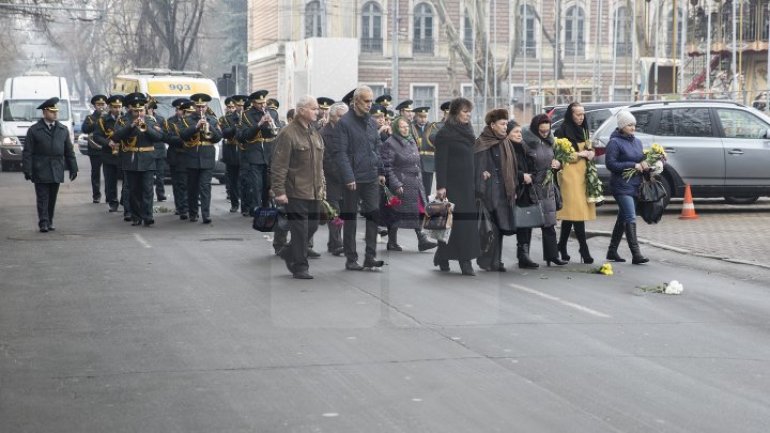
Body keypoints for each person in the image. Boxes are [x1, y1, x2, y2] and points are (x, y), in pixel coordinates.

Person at [332, 85, 386, 271]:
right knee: (351, 219)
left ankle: (370, 257)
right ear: (355, 101)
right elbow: (341, 154)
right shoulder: (344, 123)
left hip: (370, 176)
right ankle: (351, 258)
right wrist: (348, 177)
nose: (369, 104)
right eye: (366, 101)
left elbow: (377, 148)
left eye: (371, 101)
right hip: (353, 179)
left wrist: (381, 172)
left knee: (373, 216)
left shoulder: (371, 122)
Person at [271, 96, 325, 279]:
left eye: (317, 109)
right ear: (301, 110)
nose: (317, 112)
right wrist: (279, 191)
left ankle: (288, 252)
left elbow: (319, 164)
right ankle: (300, 266)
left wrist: (322, 187)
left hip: (314, 190)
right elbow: (279, 165)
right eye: (313, 108)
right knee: (300, 230)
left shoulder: (314, 132)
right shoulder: (288, 133)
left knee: (313, 225)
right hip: (295, 191)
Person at [433, 97, 481, 276]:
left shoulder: (468, 131)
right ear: (455, 113)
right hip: (452, 185)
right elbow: (440, 161)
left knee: (466, 224)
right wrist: (441, 186)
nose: (468, 115)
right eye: (464, 111)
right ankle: (463, 261)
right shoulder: (445, 134)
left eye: (469, 111)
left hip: (468, 184)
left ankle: (443, 254)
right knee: (451, 224)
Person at [381, 116, 438, 252]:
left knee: (418, 210)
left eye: (407, 126)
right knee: (395, 212)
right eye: (402, 127)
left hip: (415, 183)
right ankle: (394, 241)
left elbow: (416, 161)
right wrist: (396, 184)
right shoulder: (390, 143)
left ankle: (421, 239)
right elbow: (387, 166)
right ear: (396, 128)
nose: (405, 129)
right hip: (401, 183)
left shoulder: (412, 140)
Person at [22, 97, 78, 232]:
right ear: (45, 112)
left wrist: (73, 168)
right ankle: (43, 222)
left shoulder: (62, 129)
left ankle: (50, 220)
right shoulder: (34, 130)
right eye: (52, 112)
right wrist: (27, 169)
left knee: (52, 197)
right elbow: (27, 152)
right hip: (40, 167)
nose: (55, 114)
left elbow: (69, 151)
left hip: (56, 167)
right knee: (42, 197)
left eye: (56, 111)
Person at [474, 109, 517, 272]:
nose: (505, 127)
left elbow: (512, 167)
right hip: (488, 191)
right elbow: (477, 166)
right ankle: (487, 259)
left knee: (500, 226)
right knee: (489, 229)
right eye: (502, 124)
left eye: (506, 124)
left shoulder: (505, 141)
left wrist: (513, 187)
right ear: (492, 125)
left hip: (504, 191)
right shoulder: (482, 141)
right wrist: (481, 177)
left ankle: (496, 260)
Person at [522, 114, 568, 266]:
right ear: (535, 129)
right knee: (527, 223)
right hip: (531, 187)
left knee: (549, 222)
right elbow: (521, 163)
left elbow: (557, 160)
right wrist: (525, 175)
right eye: (542, 131)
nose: (545, 133)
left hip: (547, 186)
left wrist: (558, 164)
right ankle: (524, 257)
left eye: (547, 131)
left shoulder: (550, 142)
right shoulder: (526, 143)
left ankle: (552, 256)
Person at [604, 110, 650, 264]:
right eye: (630, 125)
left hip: (636, 185)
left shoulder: (637, 142)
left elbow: (641, 158)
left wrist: (646, 163)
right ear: (622, 126)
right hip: (621, 186)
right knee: (630, 216)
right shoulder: (614, 142)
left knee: (622, 218)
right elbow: (611, 164)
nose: (633, 128)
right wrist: (633, 165)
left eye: (634, 125)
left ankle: (612, 251)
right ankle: (636, 255)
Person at [554, 102, 597, 263]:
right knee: (577, 213)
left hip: (583, 175)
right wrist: (581, 154)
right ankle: (584, 250)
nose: (581, 117)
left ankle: (561, 246)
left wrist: (591, 153)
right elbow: (561, 155)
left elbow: (590, 148)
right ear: (570, 115)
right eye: (578, 114)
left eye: (583, 114)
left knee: (571, 214)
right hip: (570, 176)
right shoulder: (562, 131)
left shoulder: (584, 130)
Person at [112, 93, 162, 227]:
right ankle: (136, 216)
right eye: (136, 111)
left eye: (141, 110)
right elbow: (116, 137)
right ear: (130, 109)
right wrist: (131, 126)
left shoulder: (150, 120)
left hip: (148, 159)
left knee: (148, 189)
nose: (139, 113)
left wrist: (146, 128)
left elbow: (158, 137)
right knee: (133, 190)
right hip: (131, 159)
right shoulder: (122, 121)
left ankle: (148, 216)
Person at [181, 93, 223, 224]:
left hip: (207, 157)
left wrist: (208, 126)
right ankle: (193, 213)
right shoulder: (187, 120)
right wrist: (196, 127)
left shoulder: (213, 120)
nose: (200, 109)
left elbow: (218, 137)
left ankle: (206, 214)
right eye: (198, 107)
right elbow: (183, 135)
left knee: (205, 187)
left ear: (206, 107)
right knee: (192, 187)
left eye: (203, 107)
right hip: (192, 157)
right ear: (194, 106)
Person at [508, 120, 539, 269]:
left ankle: (524, 255)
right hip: (512, 190)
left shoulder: (524, 147)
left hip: (526, 189)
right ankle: (492, 257)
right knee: (515, 223)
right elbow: (505, 169)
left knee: (526, 222)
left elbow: (533, 165)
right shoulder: (507, 148)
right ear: (508, 134)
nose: (519, 135)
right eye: (515, 132)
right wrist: (521, 176)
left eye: (520, 132)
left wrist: (531, 176)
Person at [320, 101, 348, 256]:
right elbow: (327, 160)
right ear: (331, 117)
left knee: (341, 210)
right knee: (334, 210)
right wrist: (342, 174)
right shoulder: (324, 134)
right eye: (340, 117)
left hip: (346, 178)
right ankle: (337, 244)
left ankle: (333, 242)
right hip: (331, 179)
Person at [93, 95, 124, 213]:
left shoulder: (125, 119)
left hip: (123, 155)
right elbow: (97, 136)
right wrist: (107, 142)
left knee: (126, 180)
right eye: (115, 107)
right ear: (110, 107)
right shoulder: (103, 120)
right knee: (110, 181)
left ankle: (124, 200)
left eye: (119, 107)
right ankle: (113, 203)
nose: (117, 109)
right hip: (108, 155)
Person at [81, 94, 107, 203]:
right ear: (94, 106)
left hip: (107, 149)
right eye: (98, 104)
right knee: (95, 173)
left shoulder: (108, 117)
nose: (101, 106)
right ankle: (96, 195)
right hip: (95, 149)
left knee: (108, 174)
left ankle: (109, 195)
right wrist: (98, 121)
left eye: (102, 104)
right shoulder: (90, 118)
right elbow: (85, 129)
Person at [146, 98, 167, 202]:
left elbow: (165, 134)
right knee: (149, 176)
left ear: (153, 109)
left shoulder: (161, 119)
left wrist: (159, 131)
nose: (148, 110)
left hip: (159, 150)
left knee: (160, 176)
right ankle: (149, 194)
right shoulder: (144, 119)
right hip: (148, 150)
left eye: (149, 108)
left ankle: (160, 194)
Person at [412, 106, 435, 196]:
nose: (423, 119)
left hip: (429, 162)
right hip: (415, 162)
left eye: (425, 117)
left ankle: (425, 208)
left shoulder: (432, 127)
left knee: (427, 190)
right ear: (416, 116)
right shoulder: (411, 127)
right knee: (415, 189)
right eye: (420, 117)